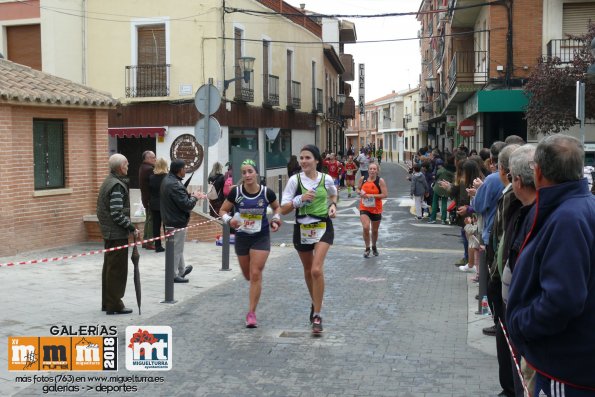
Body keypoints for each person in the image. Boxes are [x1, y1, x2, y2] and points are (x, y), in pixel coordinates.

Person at [506, 134, 595, 397]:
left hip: (565, 367)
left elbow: (562, 300)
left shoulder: (567, 218)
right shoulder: (578, 207)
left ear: (539, 172)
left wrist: (521, 324)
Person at [280, 144, 338, 334]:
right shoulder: (294, 181)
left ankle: (318, 315)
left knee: (316, 269)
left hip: (322, 226)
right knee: (307, 270)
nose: (303, 161)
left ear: (316, 161)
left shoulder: (326, 179)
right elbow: (284, 208)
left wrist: (333, 206)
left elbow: (333, 194)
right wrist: (300, 199)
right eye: (301, 158)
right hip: (302, 228)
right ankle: (315, 302)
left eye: (307, 158)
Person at [219, 159, 282, 328]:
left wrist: (276, 219)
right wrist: (229, 219)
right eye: (244, 172)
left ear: (256, 173)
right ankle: (255, 286)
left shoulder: (266, 192)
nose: (247, 175)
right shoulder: (236, 193)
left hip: (261, 236)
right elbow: (223, 210)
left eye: (250, 171)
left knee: (255, 273)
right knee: (248, 275)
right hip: (242, 237)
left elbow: (277, 208)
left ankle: (251, 313)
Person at [96, 154, 139, 315]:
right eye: (127, 165)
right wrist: (132, 227)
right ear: (121, 167)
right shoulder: (116, 186)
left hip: (109, 232)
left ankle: (108, 302)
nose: (128, 167)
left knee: (109, 268)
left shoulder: (108, 181)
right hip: (116, 234)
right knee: (117, 270)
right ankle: (114, 304)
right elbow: (116, 213)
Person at [160, 159, 204, 283]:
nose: (186, 171)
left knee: (176, 247)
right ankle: (173, 275)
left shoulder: (169, 180)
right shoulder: (174, 184)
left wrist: (189, 194)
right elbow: (186, 205)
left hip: (170, 219)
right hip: (176, 221)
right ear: (180, 170)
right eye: (184, 168)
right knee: (176, 249)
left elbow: (177, 198)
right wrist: (195, 197)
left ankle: (181, 270)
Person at [355, 162, 388, 258]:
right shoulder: (363, 179)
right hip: (364, 207)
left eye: (374, 169)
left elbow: (385, 195)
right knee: (365, 227)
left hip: (376, 209)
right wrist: (360, 193)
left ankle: (374, 246)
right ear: (368, 170)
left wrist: (371, 195)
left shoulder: (380, 181)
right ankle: (367, 248)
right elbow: (358, 189)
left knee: (374, 231)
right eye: (371, 169)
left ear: (377, 171)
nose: (372, 170)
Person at [149, 158, 168, 253]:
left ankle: (157, 246)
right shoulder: (167, 177)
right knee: (167, 225)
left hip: (154, 204)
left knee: (156, 226)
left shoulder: (152, 177)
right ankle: (169, 244)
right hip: (165, 204)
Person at [428, 156, 454, 224]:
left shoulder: (440, 170)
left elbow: (435, 177)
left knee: (434, 202)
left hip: (438, 187)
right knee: (444, 203)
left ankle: (433, 218)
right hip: (446, 188)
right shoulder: (453, 173)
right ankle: (443, 219)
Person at [139, 150, 156, 250]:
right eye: (153, 157)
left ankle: (145, 241)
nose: (155, 159)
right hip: (150, 199)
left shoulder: (143, 167)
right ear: (148, 158)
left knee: (148, 219)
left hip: (146, 198)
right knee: (151, 220)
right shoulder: (149, 169)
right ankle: (150, 241)